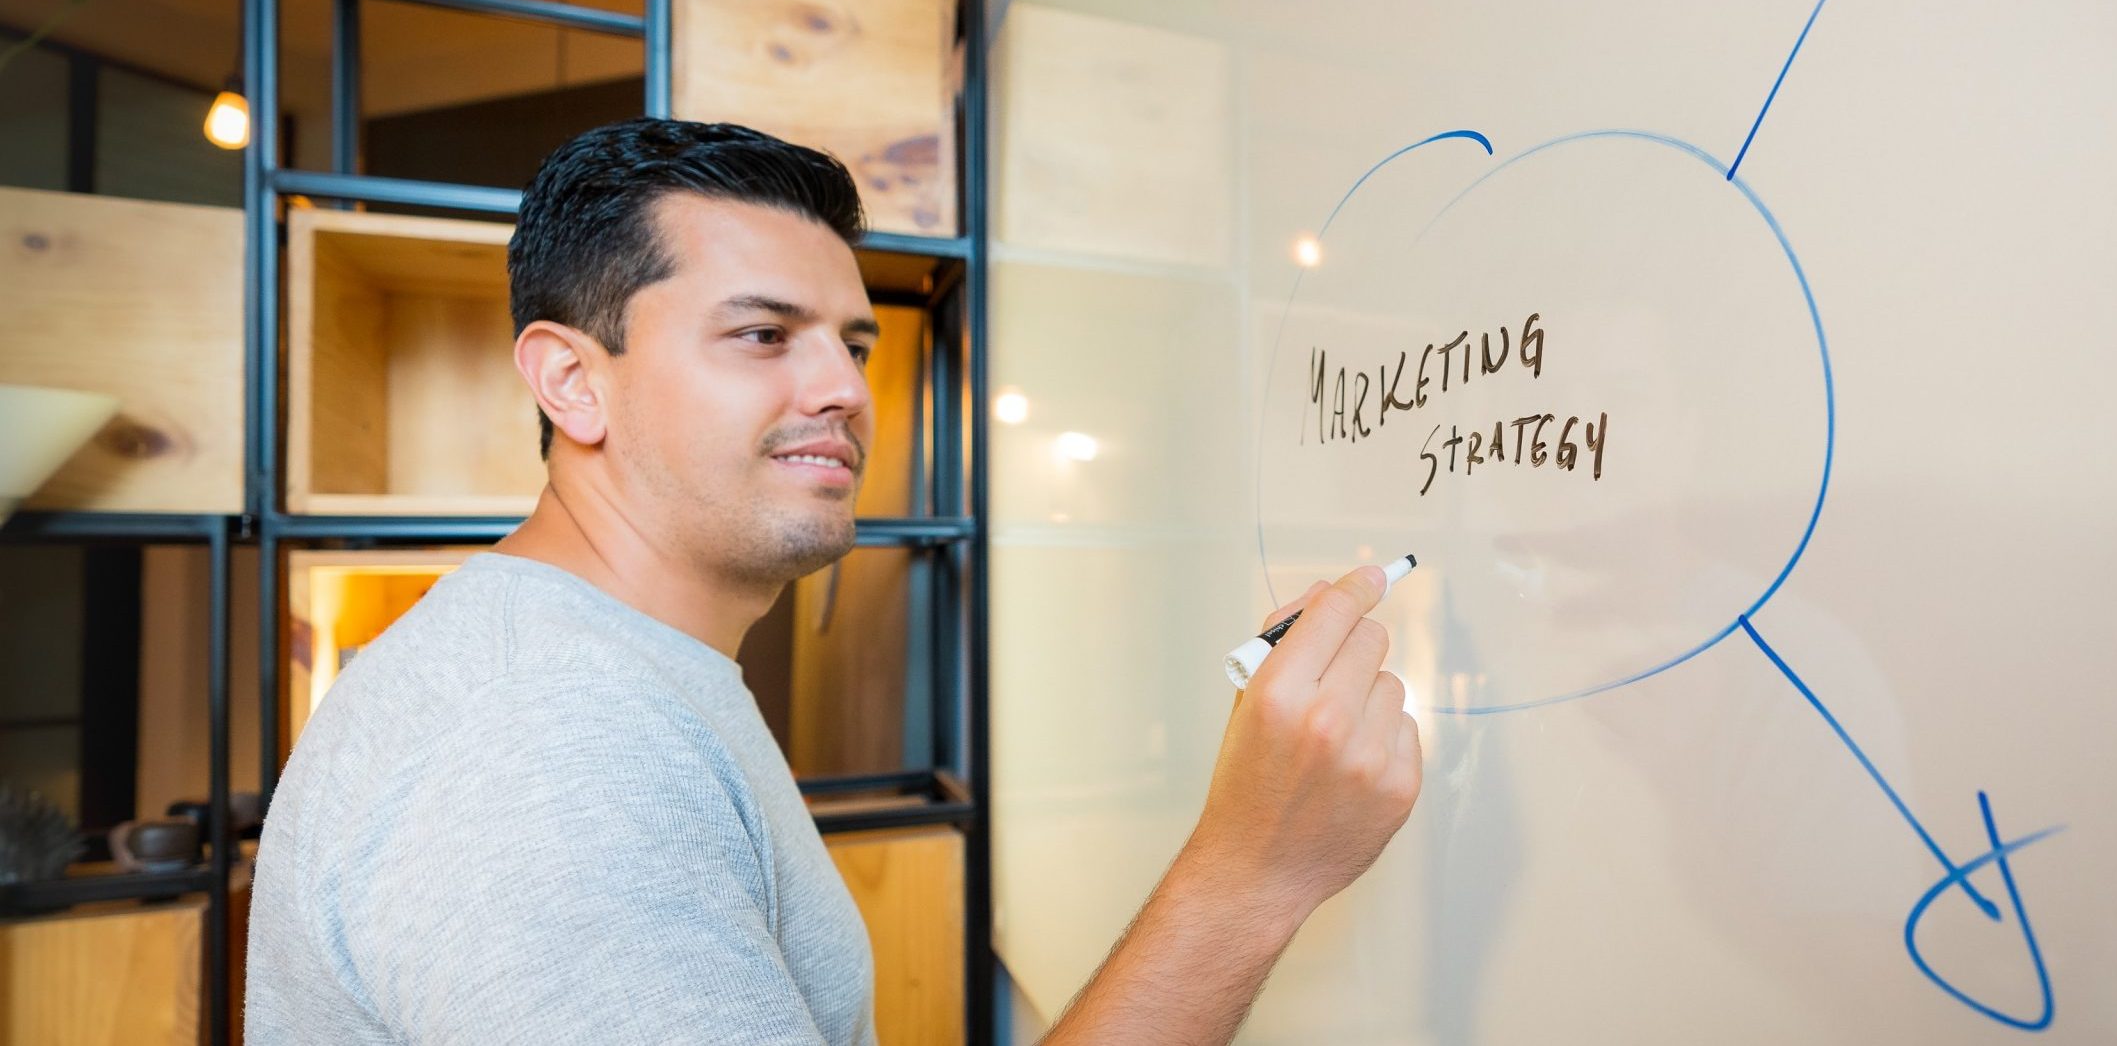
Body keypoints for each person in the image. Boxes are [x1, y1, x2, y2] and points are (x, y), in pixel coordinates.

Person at [246, 118, 1422, 1045]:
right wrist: (1249, 874)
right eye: (762, 334)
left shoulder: (601, 671)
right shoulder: (542, 747)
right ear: (570, 380)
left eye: (853, 344)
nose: (845, 388)